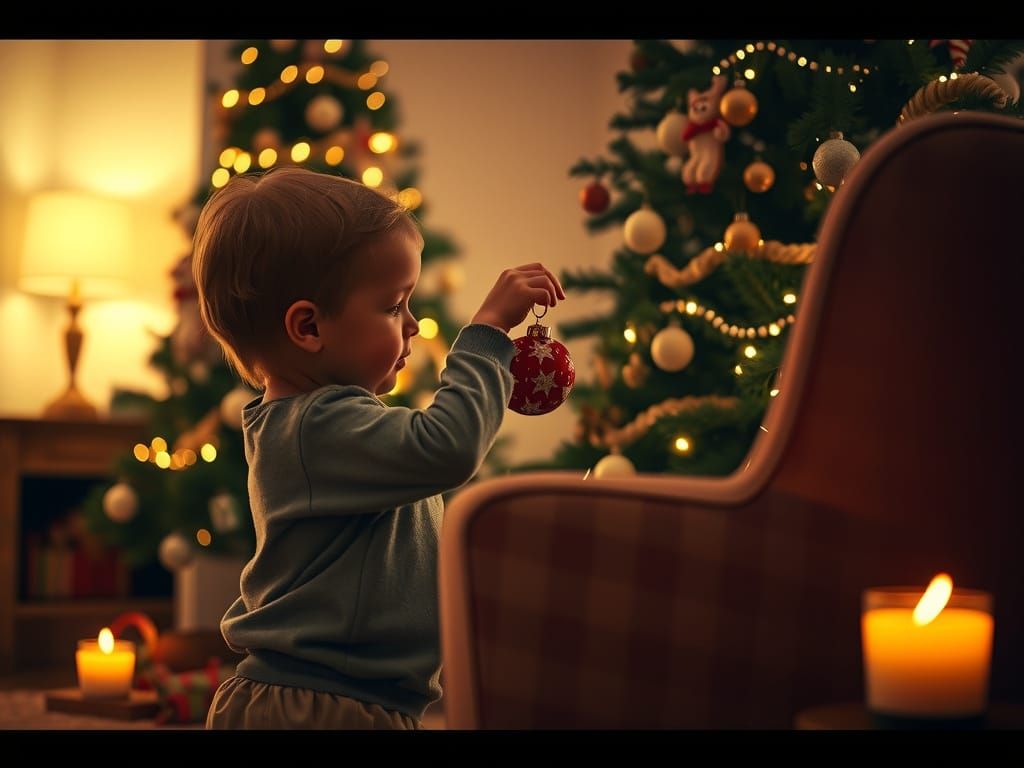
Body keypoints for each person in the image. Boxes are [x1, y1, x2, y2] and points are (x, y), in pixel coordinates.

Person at [193, 166, 565, 729]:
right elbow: (448, 447)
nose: (413, 325)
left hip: (355, 698)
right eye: (394, 307)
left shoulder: (332, 424)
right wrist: (486, 332)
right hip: (315, 706)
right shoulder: (313, 429)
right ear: (309, 327)